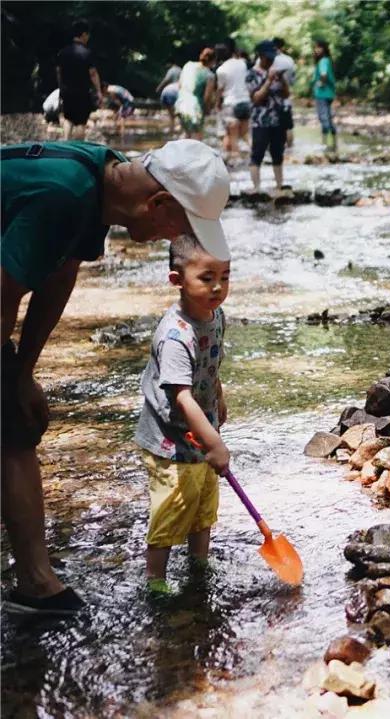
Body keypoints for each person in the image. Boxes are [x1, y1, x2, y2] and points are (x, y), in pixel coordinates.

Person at [1, 138, 231, 615]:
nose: (175, 242)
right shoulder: (64, 196)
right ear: (160, 204)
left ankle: (34, 584)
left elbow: (59, 272)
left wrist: (22, 372)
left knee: (16, 427)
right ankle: (35, 584)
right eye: (181, 229)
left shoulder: (100, 178)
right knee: (10, 429)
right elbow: (2, 296)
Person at [136, 234, 230, 594]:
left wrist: (218, 398)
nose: (218, 287)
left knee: (204, 500)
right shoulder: (176, 336)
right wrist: (215, 442)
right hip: (171, 439)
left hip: (201, 429)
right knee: (173, 504)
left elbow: (212, 363)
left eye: (225, 276)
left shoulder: (216, 314)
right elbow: (181, 398)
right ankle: (155, 580)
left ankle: (198, 562)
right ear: (177, 281)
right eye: (206, 278)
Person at [246, 40, 290, 195]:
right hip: (260, 120)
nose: (271, 60)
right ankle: (256, 188)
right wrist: (269, 80)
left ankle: (279, 185)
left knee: (278, 153)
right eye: (268, 57)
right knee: (257, 154)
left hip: (278, 120)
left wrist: (282, 79)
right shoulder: (251, 74)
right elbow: (256, 98)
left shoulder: (275, 72)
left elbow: (286, 94)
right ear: (261, 56)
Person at [55, 19, 103, 141]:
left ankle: (66, 143)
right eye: (88, 35)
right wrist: (98, 91)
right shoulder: (87, 53)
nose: (88, 38)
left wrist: (61, 88)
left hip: (66, 91)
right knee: (80, 122)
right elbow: (93, 74)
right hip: (82, 92)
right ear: (84, 35)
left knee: (68, 119)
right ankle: (77, 148)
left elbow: (59, 72)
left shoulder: (63, 52)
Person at [216, 41, 251, 164]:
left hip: (230, 103)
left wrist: (216, 104)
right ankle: (247, 158)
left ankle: (233, 161)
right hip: (245, 102)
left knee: (232, 136)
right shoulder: (242, 63)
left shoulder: (221, 70)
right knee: (244, 135)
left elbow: (220, 90)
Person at [174, 48, 217, 140]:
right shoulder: (210, 75)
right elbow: (207, 97)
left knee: (185, 135)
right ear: (213, 61)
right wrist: (207, 109)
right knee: (197, 138)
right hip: (195, 107)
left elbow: (180, 85)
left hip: (181, 103)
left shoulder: (188, 66)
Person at [312, 39, 337, 156]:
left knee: (324, 119)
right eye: (316, 48)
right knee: (329, 118)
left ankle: (324, 145)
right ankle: (334, 145)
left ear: (324, 49)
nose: (316, 50)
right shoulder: (327, 60)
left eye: (319, 47)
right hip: (329, 93)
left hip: (322, 94)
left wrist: (319, 83)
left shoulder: (322, 61)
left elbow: (323, 74)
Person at [270, 37, 296, 147]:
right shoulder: (289, 60)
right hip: (285, 98)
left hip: (270, 99)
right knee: (288, 126)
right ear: (282, 47)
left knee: (270, 127)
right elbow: (293, 80)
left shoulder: (267, 59)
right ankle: (290, 149)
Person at [156, 61, 182, 134]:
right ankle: (180, 130)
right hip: (178, 91)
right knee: (180, 113)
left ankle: (172, 129)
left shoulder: (172, 70)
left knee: (171, 114)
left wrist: (159, 88)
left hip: (168, 91)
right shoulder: (181, 70)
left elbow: (166, 80)